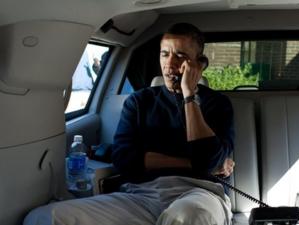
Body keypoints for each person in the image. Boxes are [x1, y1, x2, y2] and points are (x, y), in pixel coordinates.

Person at [23, 23, 235, 225]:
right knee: (45, 217)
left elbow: (207, 159)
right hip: (141, 195)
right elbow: (125, 159)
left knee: (187, 217)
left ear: (198, 64)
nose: (169, 64)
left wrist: (189, 97)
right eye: (164, 54)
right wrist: (193, 163)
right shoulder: (139, 101)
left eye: (180, 56)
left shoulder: (217, 104)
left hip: (201, 194)